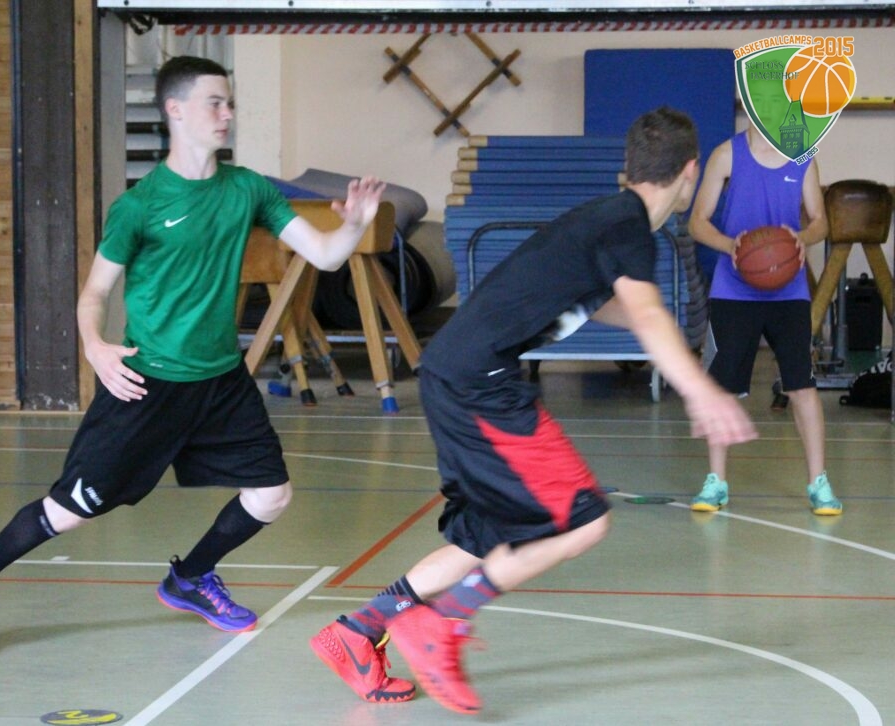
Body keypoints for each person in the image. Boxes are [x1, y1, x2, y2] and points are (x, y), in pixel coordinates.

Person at [0, 55, 386, 660]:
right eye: (214, 102)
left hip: (221, 381)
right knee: (70, 510)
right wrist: (95, 347)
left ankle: (190, 577)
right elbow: (95, 293)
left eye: (229, 103)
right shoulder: (139, 206)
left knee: (271, 495)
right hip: (146, 386)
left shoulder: (248, 188)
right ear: (175, 110)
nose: (226, 114)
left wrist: (354, 225)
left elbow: (325, 255)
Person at [310, 107, 757, 713]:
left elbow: (606, 303)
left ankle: (357, 632)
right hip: (480, 382)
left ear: (629, 166)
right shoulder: (626, 226)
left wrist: (654, 327)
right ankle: (441, 623)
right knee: (582, 521)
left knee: (485, 537)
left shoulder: (606, 219)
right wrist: (701, 389)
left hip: (454, 373)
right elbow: (646, 311)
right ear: (690, 171)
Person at [687, 120, 841, 516]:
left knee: (802, 386)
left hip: (789, 292)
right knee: (721, 387)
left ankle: (819, 483)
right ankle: (716, 482)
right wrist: (730, 245)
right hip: (733, 290)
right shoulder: (726, 154)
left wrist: (802, 238)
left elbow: (820, 221)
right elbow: (697, 221)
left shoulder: (803, 154)